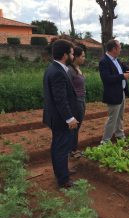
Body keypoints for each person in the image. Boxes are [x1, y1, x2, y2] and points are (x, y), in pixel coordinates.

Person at [43, 39, 79, 188]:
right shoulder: (57, 72)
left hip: (55, 116)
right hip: (60, 118)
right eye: (71, 53)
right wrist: (69, 118)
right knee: (61, 147)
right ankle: (63, 180)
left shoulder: (53, 68)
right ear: (65, 55)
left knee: (59, 146)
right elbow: (60, 99)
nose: (73, 56)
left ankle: (62, 172)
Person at [99, 39, 129, 143]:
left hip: (121, 92)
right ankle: (105, 141)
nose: (121, 49)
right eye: (119, 47)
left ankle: (120, 135)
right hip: (113, 94)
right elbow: (106, 79)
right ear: (114, 49)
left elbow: (124, 67)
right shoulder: (104, 62)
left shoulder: (116, 60)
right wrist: (122, 76)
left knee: (120, 117)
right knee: (112, 119)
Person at [67, 46, 86, 157]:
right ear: (76, 57)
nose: (84, 58)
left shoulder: (77, 68)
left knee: (77, 126)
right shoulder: (70, 70)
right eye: (82, 56)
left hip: (81, 100)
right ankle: (71, 151)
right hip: (75, 102)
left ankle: (73, 149)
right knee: (74, 127)